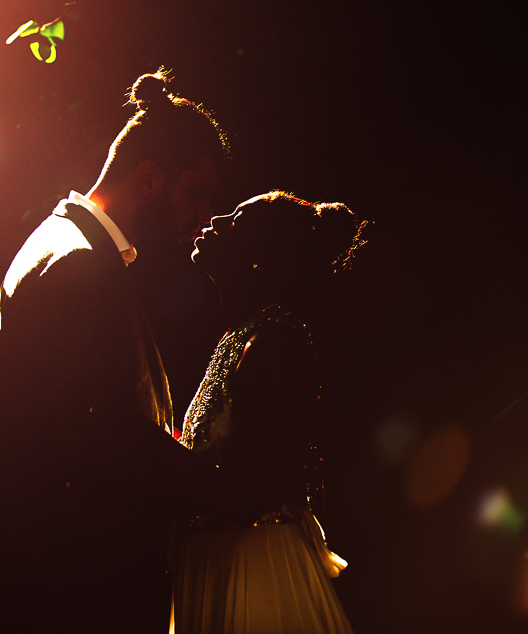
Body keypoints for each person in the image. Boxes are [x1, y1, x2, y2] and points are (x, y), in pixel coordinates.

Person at [0, 69, 228, 632]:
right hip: (78, 586)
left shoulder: (62, 243)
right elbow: (97, 430)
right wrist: (217, 485)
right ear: (149, 178)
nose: (203, 217)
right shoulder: (78, 264)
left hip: (61, 576)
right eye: (198, 194)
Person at [169, 191, 365, 633]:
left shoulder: (275, 343)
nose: (215, 217)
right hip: (224, 565)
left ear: (260, 258)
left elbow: (247, 492)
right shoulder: (243, 336)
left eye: (236, 220)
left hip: (255, 572)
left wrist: (147, 448)